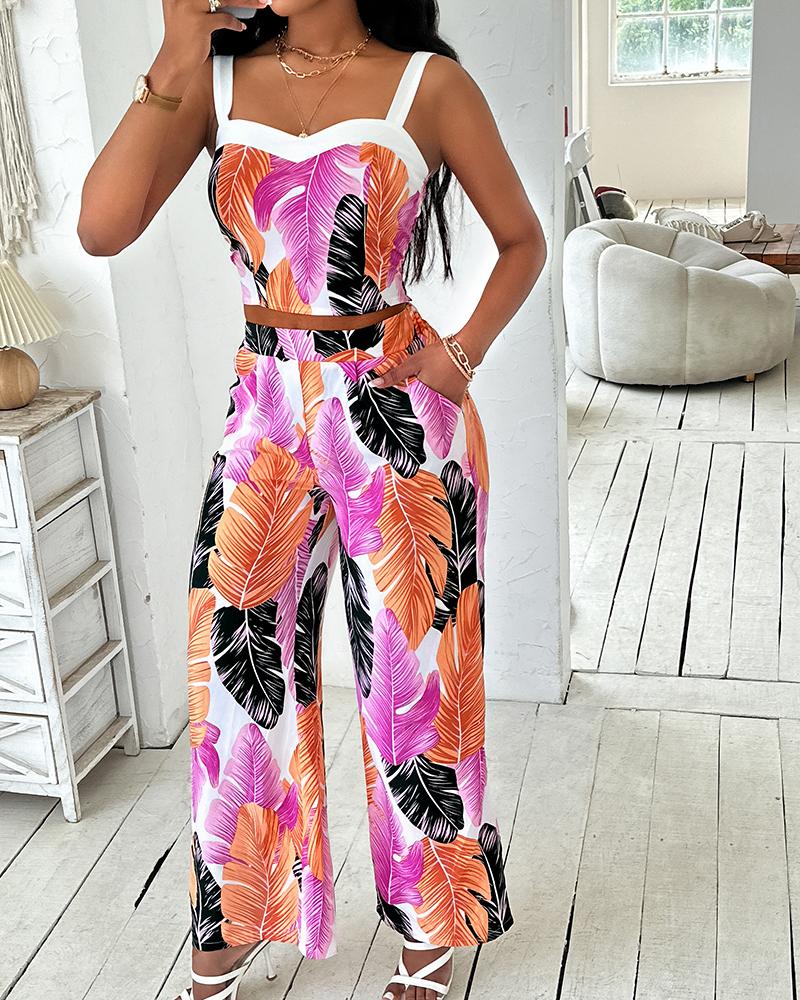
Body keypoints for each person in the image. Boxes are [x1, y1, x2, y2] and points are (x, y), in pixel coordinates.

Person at [78, 1, 546, 998]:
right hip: (264, 406)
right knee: (234, 654)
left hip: (396, 407)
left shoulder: (428, 85)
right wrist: (174, 52)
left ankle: (431, 916)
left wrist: (460, 357)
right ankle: (239, 911)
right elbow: (100, 227)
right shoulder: (210, 80)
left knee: (415, 675)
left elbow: (523, 241)